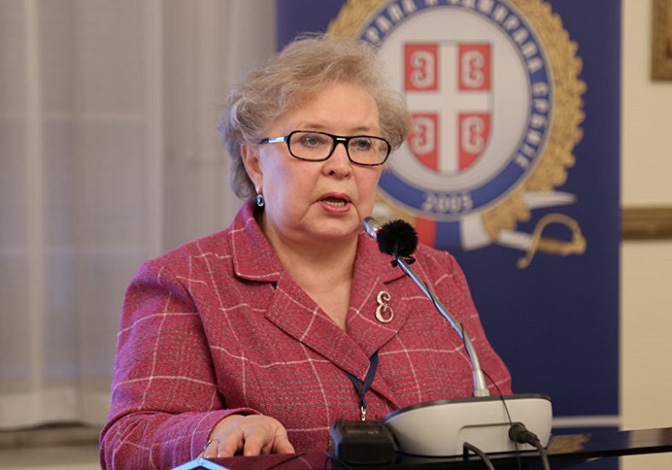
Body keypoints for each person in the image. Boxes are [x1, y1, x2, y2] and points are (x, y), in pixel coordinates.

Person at [99, 34, 512, 469]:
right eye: (312, 140)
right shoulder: (186, 282)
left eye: (362, 144)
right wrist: (219, 430)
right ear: (255, 162)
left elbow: (501, 422)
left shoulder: (431, 273)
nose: (341, 165)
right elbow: (130, 442)